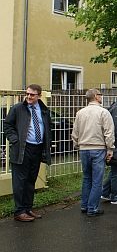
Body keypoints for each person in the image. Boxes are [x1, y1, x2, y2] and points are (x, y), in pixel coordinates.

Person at [4, 84, 52, 222]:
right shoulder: (18, 108)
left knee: (31, 179)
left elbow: (48, 126)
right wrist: (15, 140)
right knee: (20, 181)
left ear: (39, 96)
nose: (29, 97)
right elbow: (7, 125)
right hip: (22, 148)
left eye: (32, 95)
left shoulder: (43, 110)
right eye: (27, 94)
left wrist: (47, 142)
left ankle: (28, 208)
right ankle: (19, 211)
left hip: (37, 149)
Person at [71, 89, 114, 217]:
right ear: (96, 97)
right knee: (97, 180)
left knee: (87, 178)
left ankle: (84, 205)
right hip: (98, 148)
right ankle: (92, 208)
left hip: (84, 148)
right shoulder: (103, 112)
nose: (101, 97)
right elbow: (109, 133)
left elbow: (75, 132)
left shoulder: (80, 113)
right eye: (100, 95)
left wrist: (77, 145)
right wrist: (110, 149)